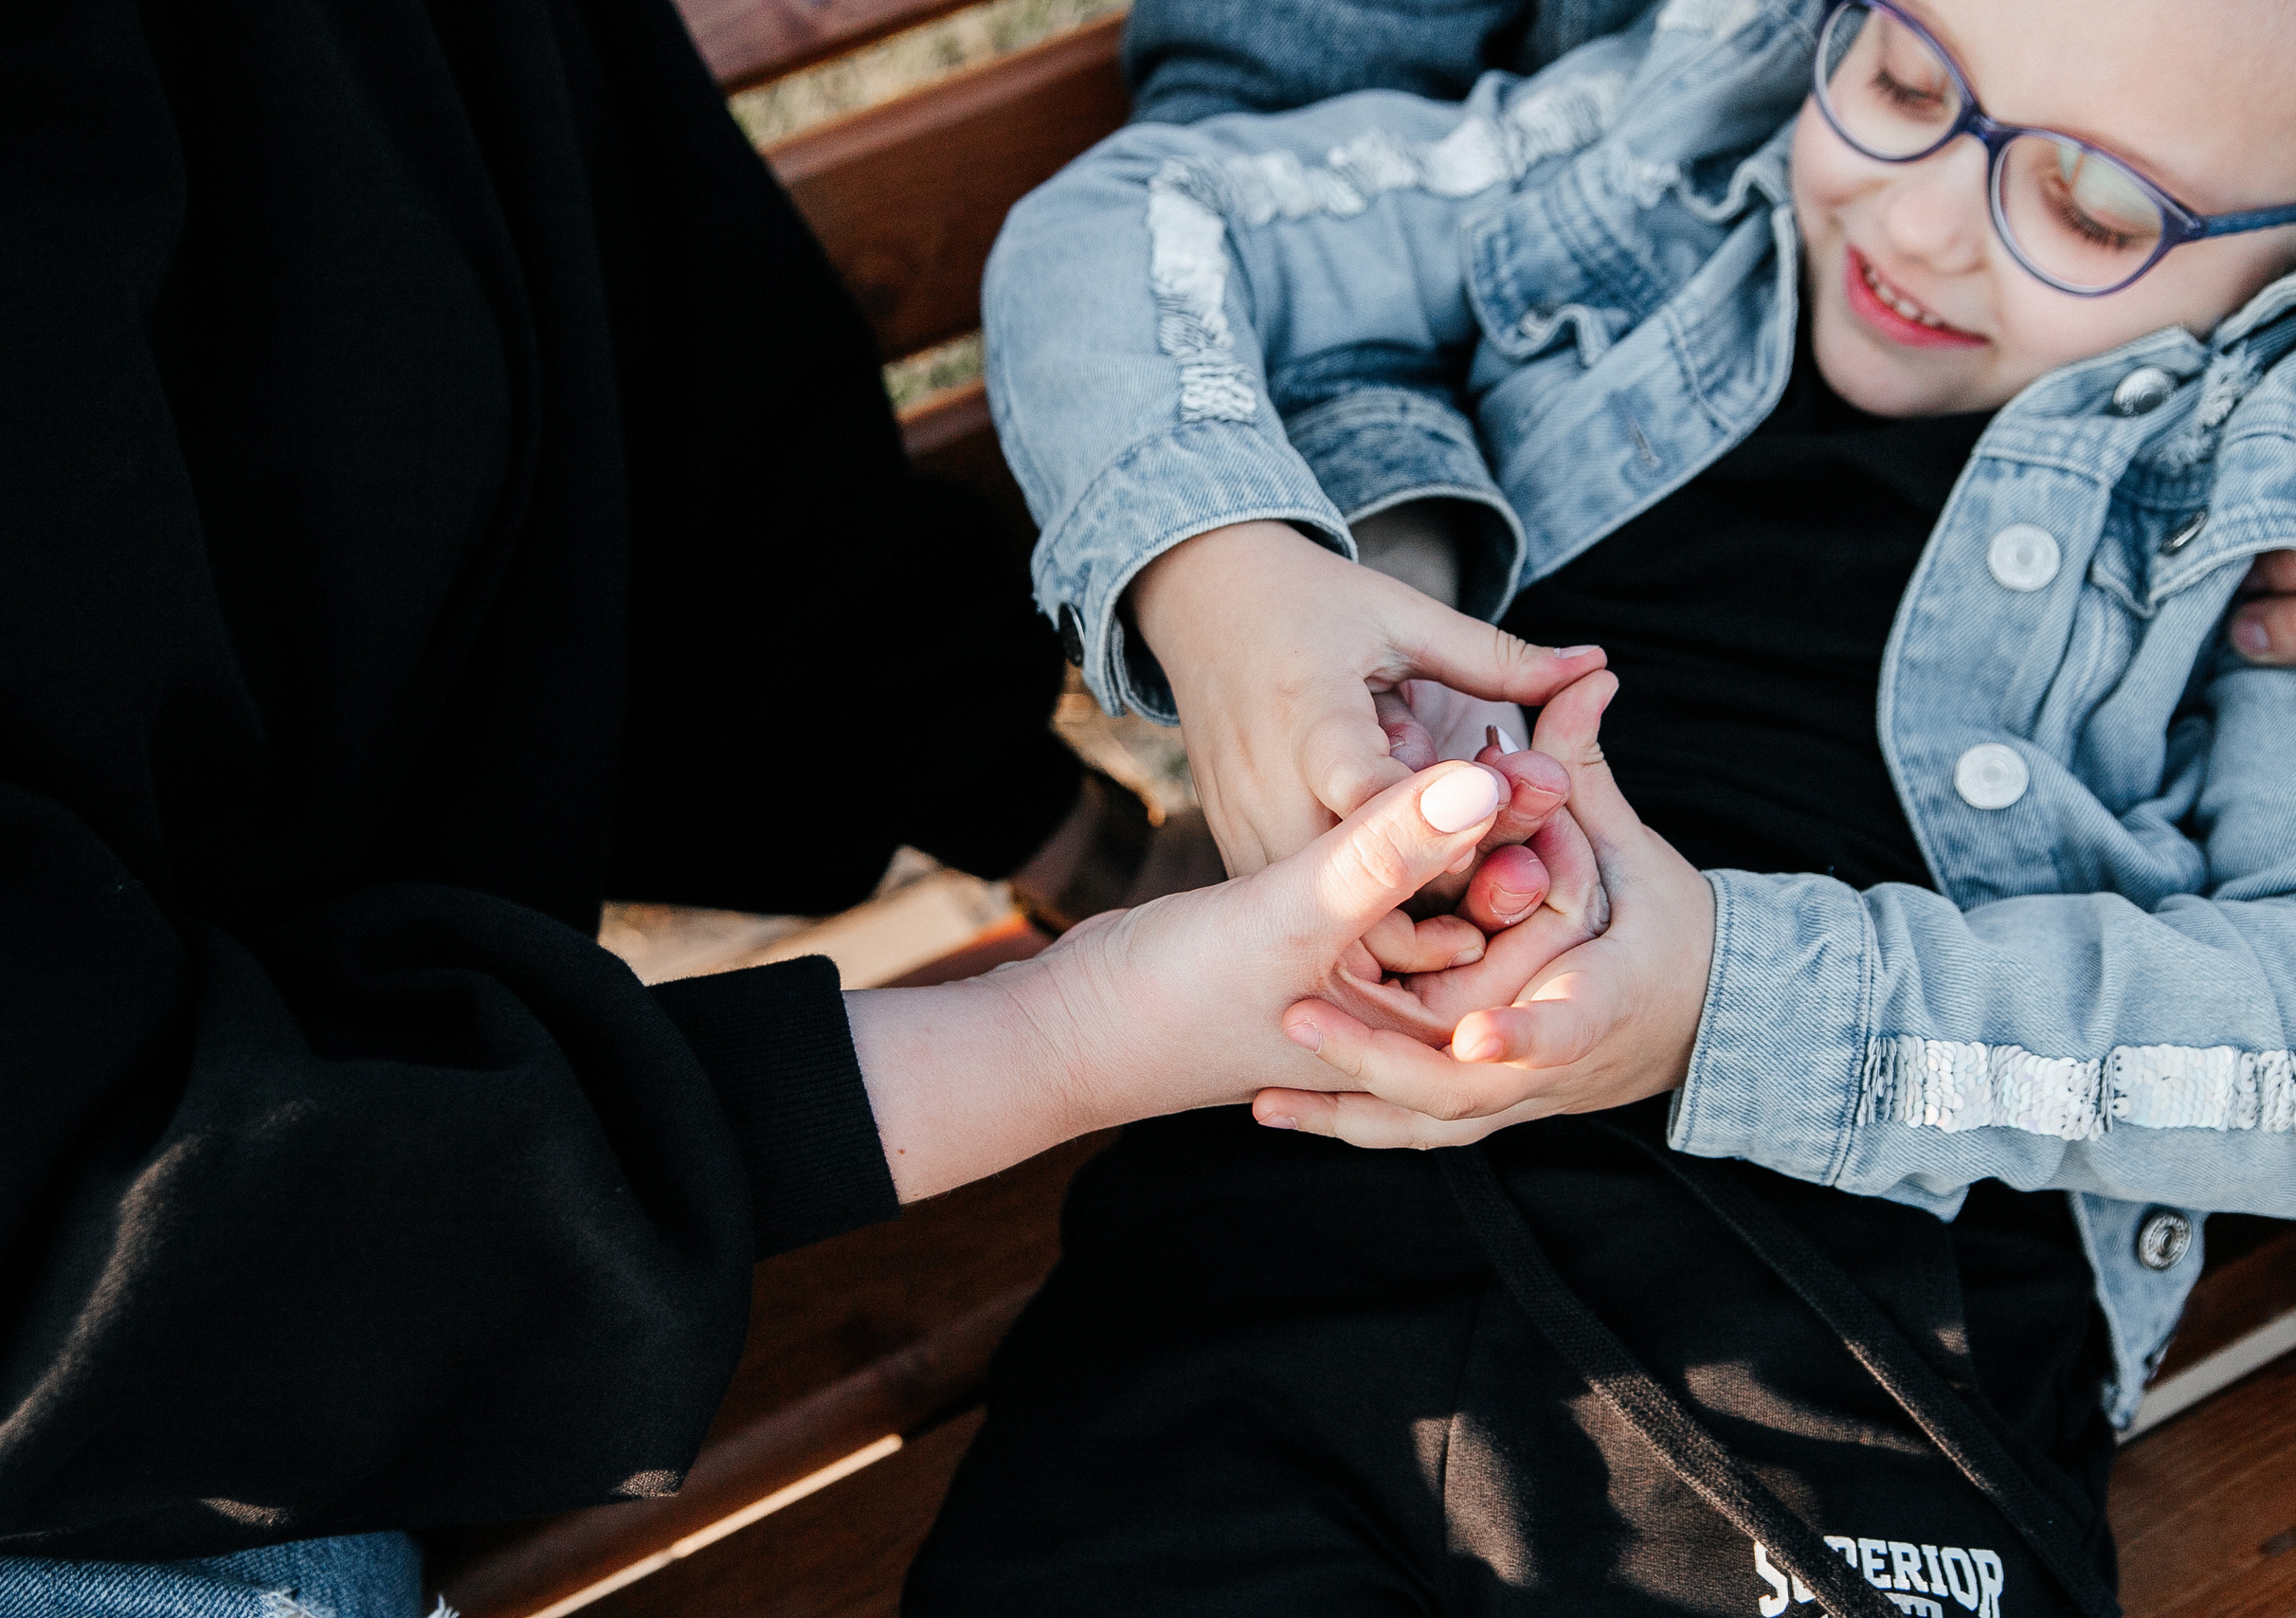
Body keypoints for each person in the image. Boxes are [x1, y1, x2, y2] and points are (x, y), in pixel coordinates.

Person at [0, 1, 1590, 1614]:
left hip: (314, 1231)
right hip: (124, 1412)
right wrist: (1060, 1033)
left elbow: (698, 397)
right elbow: (77, 1234)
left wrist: (1091, 846)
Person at [907, 0, 2296, 1609]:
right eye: (1907, 79)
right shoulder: (1685, 144)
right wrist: (1227, 586)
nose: (1915, 216)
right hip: (1299, 1178)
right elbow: (1130, 224)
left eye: (2094, 210)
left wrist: (1733, 1003)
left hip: (1858, 1334)